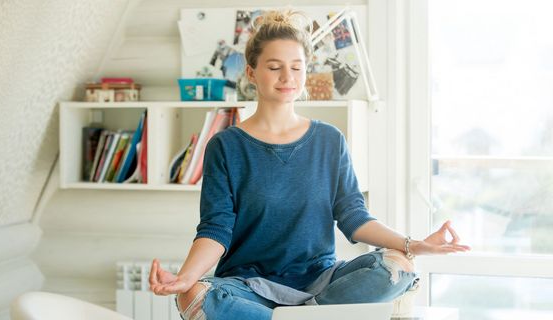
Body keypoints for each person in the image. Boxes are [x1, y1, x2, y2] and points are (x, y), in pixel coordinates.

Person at [150, 9, 470, 320]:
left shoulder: (329, 140)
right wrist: (185, 277)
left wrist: (415, 244)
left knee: (400, 266)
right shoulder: (226, 146)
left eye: (297, 67)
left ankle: (302, 316)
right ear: (251, 72)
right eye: (274, 67)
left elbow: (354, 217)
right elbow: (215, 229)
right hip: (248, 285)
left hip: (319, 281)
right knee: (192, 296)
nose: (287, 77)